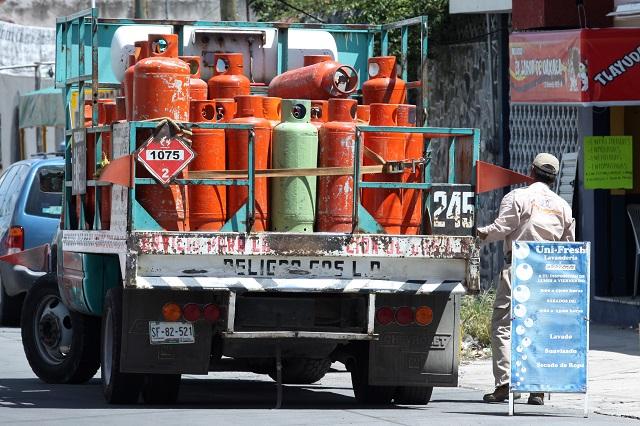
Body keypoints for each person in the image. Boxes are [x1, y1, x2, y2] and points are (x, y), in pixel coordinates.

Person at [477, 153, 575, 405]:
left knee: (504, 325)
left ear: (531, 171)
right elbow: (568, 246)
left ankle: (505, 384)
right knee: (539, 328)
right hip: (547, 273)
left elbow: (501, 229)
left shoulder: (518, 197)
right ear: (553, 178)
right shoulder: (563, 206)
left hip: (519, 268)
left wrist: (479, 233)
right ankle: (538, 389)